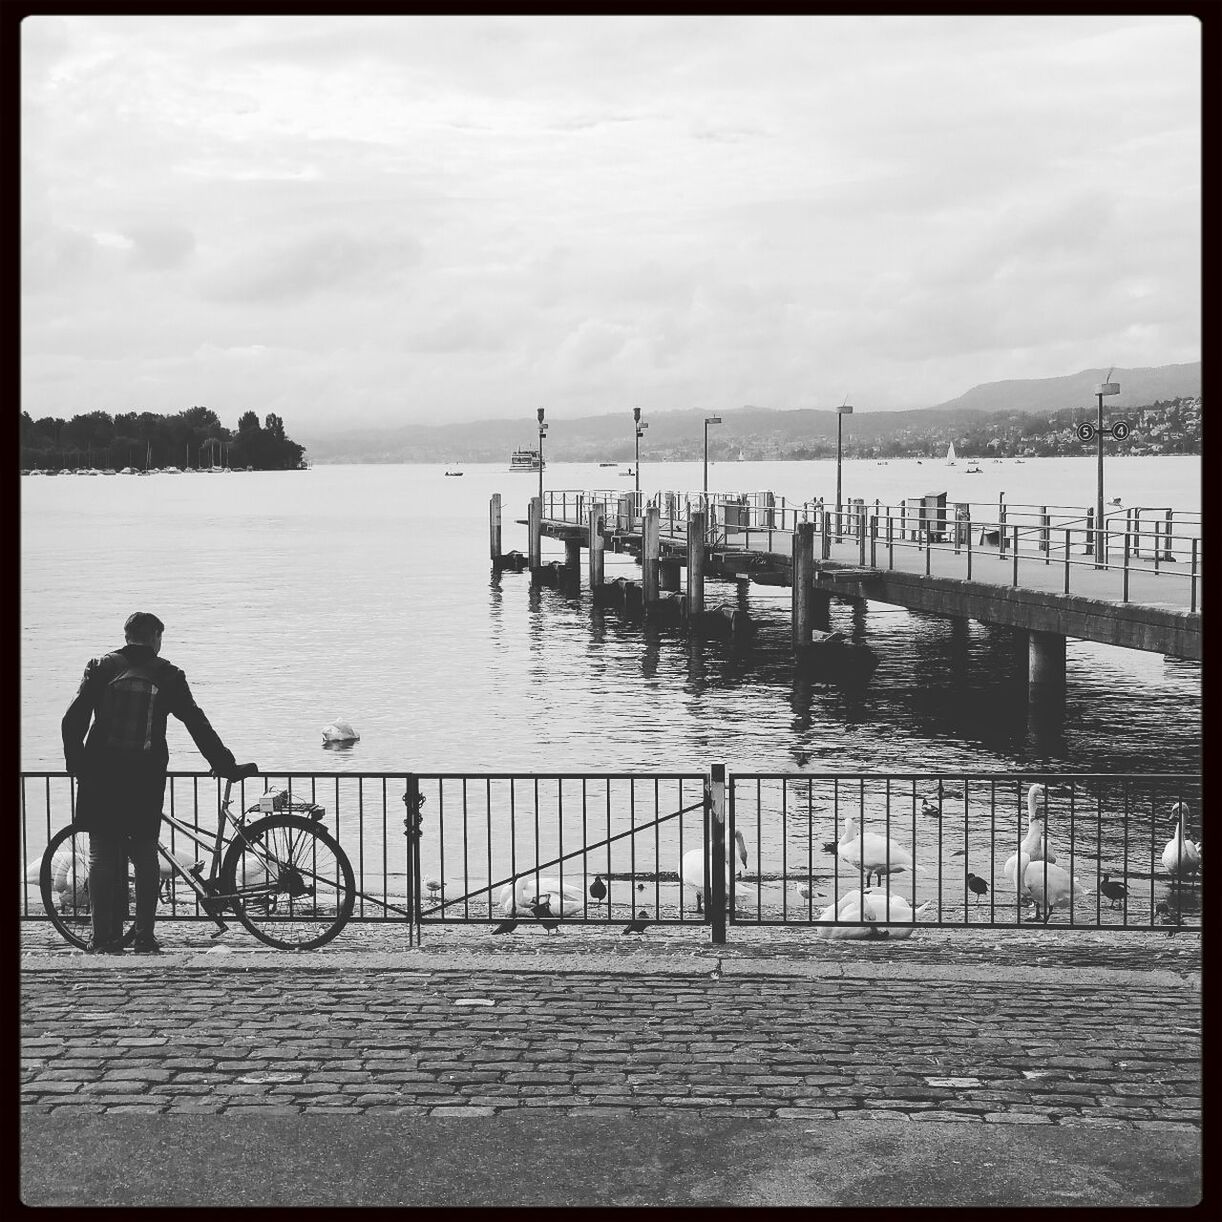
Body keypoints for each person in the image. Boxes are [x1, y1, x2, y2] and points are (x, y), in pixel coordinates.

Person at [62, 612, 247, 955]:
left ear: (127, 634)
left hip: (101, 775)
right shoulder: (168, 675)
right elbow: (196, 722)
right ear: (156, 638)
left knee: (102, 855)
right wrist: (224, 764)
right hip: (145, 777)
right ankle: (144, 937)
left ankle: (102, 939)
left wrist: (78, 765)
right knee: (145, 854)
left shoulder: (101, 668)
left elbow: (72, 720)